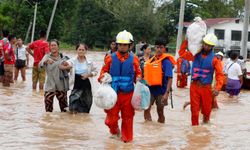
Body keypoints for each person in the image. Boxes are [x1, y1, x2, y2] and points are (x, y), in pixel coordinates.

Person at [98, 30, 142, 143]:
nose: (122, 47)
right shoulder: (109, 58)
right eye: (120, 44)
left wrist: (139, 80)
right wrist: (104, 77)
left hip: (128, 95)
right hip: (113, 94)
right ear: (117, 45)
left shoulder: (135, 59)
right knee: (111, 120)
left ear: (130, 45)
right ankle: (114, 131)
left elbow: (139, 74)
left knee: (128, 119)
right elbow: (102, 74)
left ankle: (127, 142)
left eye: (125, 45)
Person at [179, 33, 224, 126]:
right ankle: (194, 130)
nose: (206, 47)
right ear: (202, 43)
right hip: (194, 87)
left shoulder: (215, 59)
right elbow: (182, 53)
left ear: (212, 47)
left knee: (206, 111)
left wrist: (217, 88)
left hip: (206, 88)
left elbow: (220, 75)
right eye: (205, 44)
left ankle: (205, 131)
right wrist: (186, 40)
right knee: (194, 112)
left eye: (209, 45)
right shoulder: (195, 55)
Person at [143, 37, 176, 123]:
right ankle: (149, 128)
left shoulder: (166, 62)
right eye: (157, 47)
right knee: (146, 109)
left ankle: (160, 128)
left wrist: (166, 93)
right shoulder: (151, 60)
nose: (159, 49)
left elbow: (170, 79)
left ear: (165, 48)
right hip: (150, 90)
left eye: (161, 47)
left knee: (160, 112)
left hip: (162, 91)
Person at [59, 43, 98, 113]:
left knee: (86, 105)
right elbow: (60, 66)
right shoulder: (72, 61)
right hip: (76, 84)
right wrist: (66, 67)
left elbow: (96, 71)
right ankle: (74, 119)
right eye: (79, 49)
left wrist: (88, 75)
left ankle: (82, 121)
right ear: (76, 50)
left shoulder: (90, 62)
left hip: (86, 85)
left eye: (83, 50)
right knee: (73, 103)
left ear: (86, 51)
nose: (81, 51)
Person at [39, 40, 69, 112]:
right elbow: (39, 66)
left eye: (55, 45)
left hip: (61, 86)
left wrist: (66, 66)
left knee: (64, 109)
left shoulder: (64, 57)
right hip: (50, 86)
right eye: (51, 45)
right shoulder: (46, 56)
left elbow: (70, 69)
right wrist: (46, 61)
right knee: (48, 111)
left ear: (58, 46)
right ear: (49, 47)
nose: (53, 47)